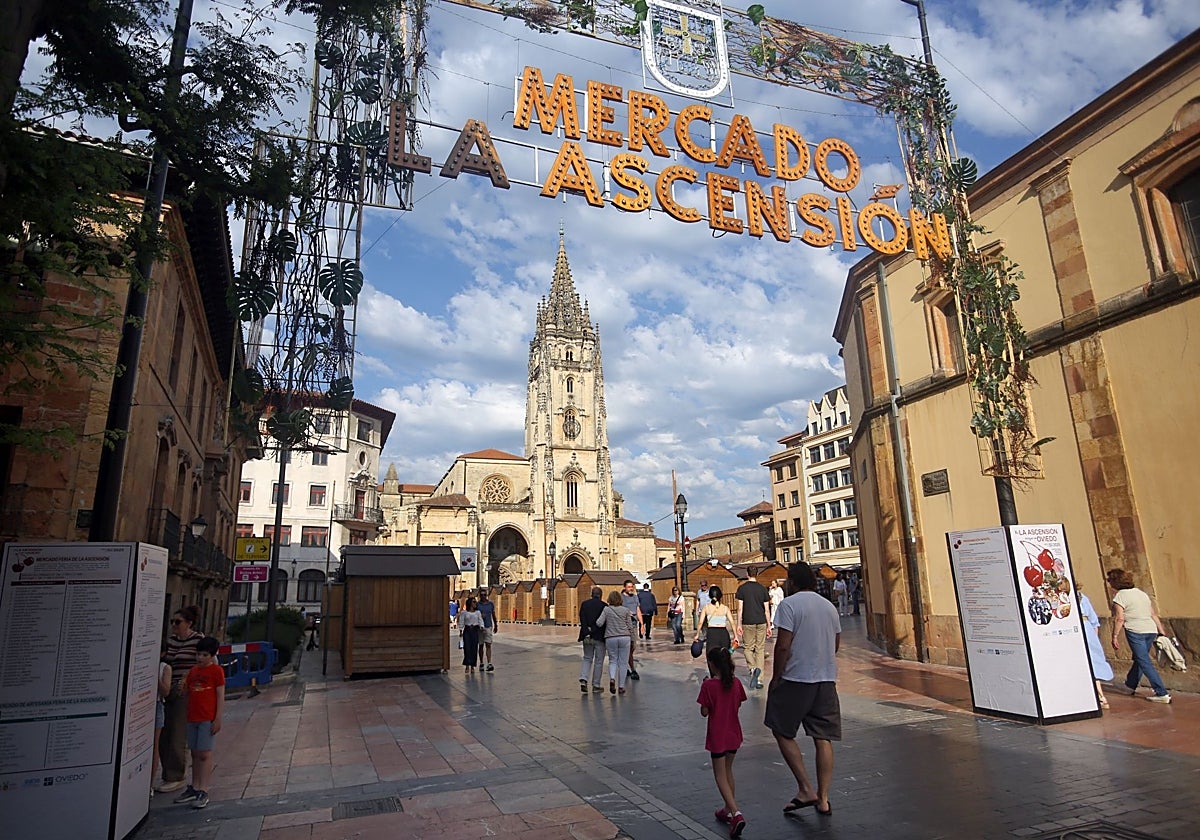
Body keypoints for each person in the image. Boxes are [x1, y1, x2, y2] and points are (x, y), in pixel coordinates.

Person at [767, 562, 841, 818]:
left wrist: (776, 676)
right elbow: (836, 642)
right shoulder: (829, 606)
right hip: (826, 679)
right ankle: (824, 798)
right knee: (823, 737)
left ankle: (805, 788)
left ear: (792, 582)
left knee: (780, 728)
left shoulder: (789, 605)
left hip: (797, 678)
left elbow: (783, 645)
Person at [699, 646, 748, 837]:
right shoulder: (735, 683)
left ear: (712, 664)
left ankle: (735, 813)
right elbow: (738, 702)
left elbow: (704, 712)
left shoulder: (709, 686)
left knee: (720, 775)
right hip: (733, 733)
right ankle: (727, 808)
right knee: (728, 771)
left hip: (717, 735)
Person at [172, 636, 225, 810]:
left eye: (204, 655)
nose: (200, 658)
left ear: (212, 656)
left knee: (204, 753)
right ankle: (194, 787)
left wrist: (217, 717)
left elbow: (220, 695)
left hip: (207, 717)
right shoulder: (193, 672)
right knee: (194, 753)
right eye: (198, 654)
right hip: (192, 717)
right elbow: (188, 692)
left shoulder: (216, 671)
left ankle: (204, 788)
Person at [1106, 568, 1171, 703]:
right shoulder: (1141, 594)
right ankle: (1130, 685)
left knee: (1144, 661)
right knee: (1140, 659)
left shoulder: (1120, 596)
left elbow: (1120, 618)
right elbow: (1153, 614)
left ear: (1115, 582)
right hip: (1150, 629)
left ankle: (1161, 692)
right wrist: (1161, 631)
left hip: (1135, 631)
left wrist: (1115, 636)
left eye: (1109, 580)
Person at [157, 605, 204, 793]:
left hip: (185, 691)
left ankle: (176, 775)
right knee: (163, 733)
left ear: (189, 623)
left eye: (178, 622)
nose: (174, 625)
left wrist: (188, 680)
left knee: (177, 733)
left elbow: (204, 662)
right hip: (166, 689)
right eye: (172, 622)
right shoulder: (171, 641)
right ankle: (166, 773)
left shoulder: (197, 640)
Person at [1078, 583, 1113, 709]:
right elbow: (1094, 621)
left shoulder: (1074, 598)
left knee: (1091, 662)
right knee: (1093, 661)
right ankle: (1100, 696)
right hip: (1088, 630)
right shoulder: (1082, 597)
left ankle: (1100, 696)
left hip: (1080, 629)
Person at [736, 574, 772, 690]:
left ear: (747, 574)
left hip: (748, 621)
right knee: (760, 649)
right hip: (761, 621)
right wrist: (769, 625)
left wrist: (738, 624)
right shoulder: (762, 589)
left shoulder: (742, 588)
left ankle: (752, 668)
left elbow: (740, 608)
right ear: (757, 574)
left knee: (748, 648)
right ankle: (760, 679)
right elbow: (767, 609)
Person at [596, 590, 636, 694]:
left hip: (611, 637)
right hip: (625, 637)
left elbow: (599, 623)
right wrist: (633, 640)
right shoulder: (626, 610)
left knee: (613, 660)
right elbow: (630, 627)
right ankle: (621, 687)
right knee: (623, 663)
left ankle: (612, 678)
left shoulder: (606, 610)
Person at [151, 644, 172, 795]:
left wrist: (155, 678)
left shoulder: (164, 668)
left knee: (154, 744)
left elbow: (165, 692)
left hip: (157, 705)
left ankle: (150, 783)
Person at [578, 586, 607, 693]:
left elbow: (582, 619)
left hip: (586, 635)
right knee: (599, 661)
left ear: (591, 594)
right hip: (599, 636)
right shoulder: (604, 606)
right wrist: (594, 630)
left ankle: (584, 678)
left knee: (587, 658)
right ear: (601, 595)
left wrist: (587, 631)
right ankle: (596, 685)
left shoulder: (584, 604)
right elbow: (603, 622)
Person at [696, 585, 736, 655]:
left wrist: (697, 634)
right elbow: (732, 622)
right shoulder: (725, 608)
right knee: (725, 655)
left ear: (710, 596)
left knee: (711, 655)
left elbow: (700, 622)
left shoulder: (706, 608)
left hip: (712, 633)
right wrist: (736, 636)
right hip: (723, 633)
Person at [621, 579, 644, 679]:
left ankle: (626, 664)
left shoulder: (635, 597)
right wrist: (626, 612)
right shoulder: (621, 598)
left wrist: (642, 624)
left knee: (633, 646)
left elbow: (638, 610)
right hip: (624, 626)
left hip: (634, 625)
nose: (631, 589)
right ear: (625, 587)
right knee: (629, 648)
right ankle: (632, 669)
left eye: (632, 587)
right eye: (629, 587)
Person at [459, 597, 483, 673]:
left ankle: (472, 665)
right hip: (467, 630)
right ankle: (467, 665)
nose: (475, 603)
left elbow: (480, 620)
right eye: (474, 602)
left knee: (474, 648)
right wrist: (461, 630)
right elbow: (461, 621)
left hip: (475, 630)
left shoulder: (478, 612)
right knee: (467, 648)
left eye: (475, 602)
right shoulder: (464, 613)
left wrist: (482, 627)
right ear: (470, 603)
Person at [478, 590, 498, 672]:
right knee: (481, 645)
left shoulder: (490, 604)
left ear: (486, 595)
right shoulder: (477, 605)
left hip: (488, 626)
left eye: (484, 595)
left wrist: (496, 625)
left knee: (488, 644)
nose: (483, 596)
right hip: (480, 627)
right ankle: (481, 662)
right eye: (481, 595)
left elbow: (493, 615)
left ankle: (489, 663)